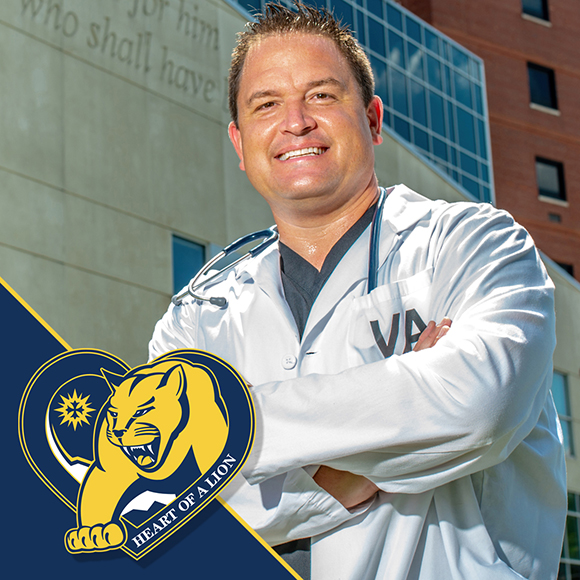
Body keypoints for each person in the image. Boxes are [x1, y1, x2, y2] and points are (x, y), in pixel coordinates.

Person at [149, 3, 566, 579]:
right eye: (266, 104)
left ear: (371, 118)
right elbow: (161, 498)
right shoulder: (200, 312)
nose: (296, 121)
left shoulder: (473, 244)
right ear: (240, 143)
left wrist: (222, 426)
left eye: (321, 95)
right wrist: (354, 463)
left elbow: (482, 406)